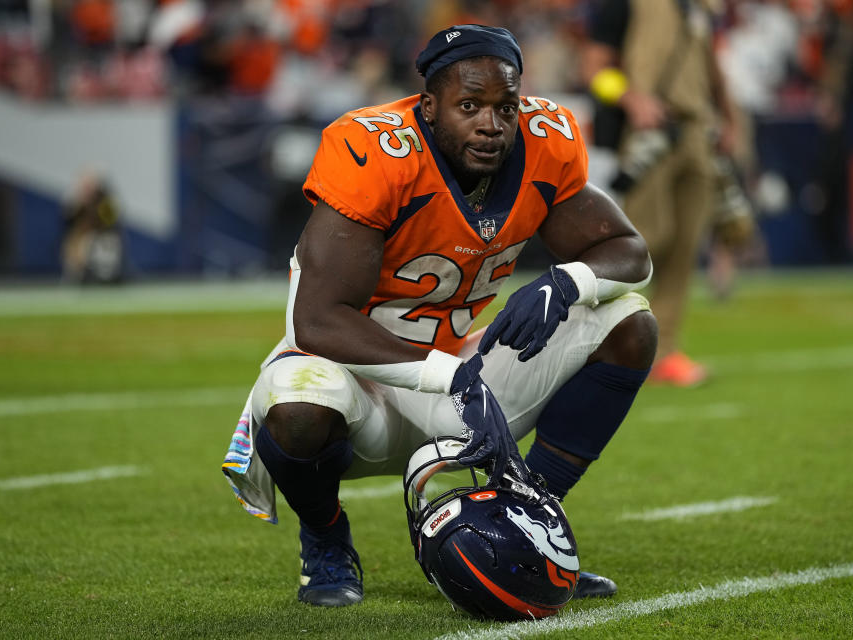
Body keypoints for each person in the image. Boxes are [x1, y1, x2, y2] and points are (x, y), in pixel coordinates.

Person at [221, 24, 658, 608]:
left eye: (506, 106)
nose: (491, 123)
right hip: (358, 380)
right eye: (469, 105)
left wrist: (567, 280)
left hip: (460, 369)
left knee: (627, 319)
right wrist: (448, 376)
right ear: (428, 107)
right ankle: (326, 540)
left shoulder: (543, 142)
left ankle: (532, 527)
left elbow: (630, 253)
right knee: (296, 401)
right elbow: (318, 321)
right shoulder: (378, 152)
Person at [583, 0, 738, 386]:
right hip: (650, 132)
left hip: (698, 131)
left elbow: (709, 67)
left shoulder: (698, 7)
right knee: (647, 240)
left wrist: (728, 117)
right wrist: (632, 100)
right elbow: (594, 69)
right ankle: (603, 344)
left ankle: (665, 351)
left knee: (686, 244)